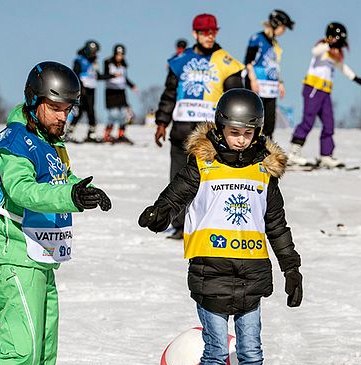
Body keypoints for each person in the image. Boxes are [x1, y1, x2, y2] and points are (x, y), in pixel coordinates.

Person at [139, 89, 303, 365]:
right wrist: (160, 213)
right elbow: (176, 196)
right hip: (210, 272)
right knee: (214, 350)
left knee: (251, 351)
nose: (240, 140)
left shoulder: (264, 174)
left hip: (251, 275)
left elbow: (276, 225)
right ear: (219, 127)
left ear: (257, 132)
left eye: (247, 133)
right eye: (234, 132)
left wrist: (291, 268)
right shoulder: (204, 165)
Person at [0, 61, 112, 365]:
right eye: (55, 109)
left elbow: (59, 180)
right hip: (14, 257)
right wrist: (69, 198)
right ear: (34, 101)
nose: (61, 117)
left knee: (43, 355)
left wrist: (84, 191)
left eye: (67, 110)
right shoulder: (15, 142)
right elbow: (21, 190)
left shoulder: (50, 144)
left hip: (40, 257)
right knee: (22, 353)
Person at [154, 13, 245, 240]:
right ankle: (180, 226)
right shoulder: (180, 61)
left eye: (213, 31)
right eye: (205, 32)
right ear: (195, 34)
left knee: (207, 180)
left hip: (210, 135)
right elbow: (169, 94)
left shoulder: (227, 62)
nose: (210, 36)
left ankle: (206, 225)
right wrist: (162, 123)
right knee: (178, 179)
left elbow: (238, 99)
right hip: (182, 130)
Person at [287, 22, 361, 169]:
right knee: (308, 121)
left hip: (325, 92)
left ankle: (326, 155)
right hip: (313, 89)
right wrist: (329, 44)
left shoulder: (334, 55)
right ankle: (293, 153)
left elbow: (343, 67)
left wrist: (356, 78)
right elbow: (314, 51)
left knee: (329, 123)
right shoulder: (323, 48)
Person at [244, 9, 294, 140]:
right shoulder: (257, 38)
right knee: (255, 117)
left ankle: (266, 147)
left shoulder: (275, 43)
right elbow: (248, 61)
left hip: (271, 86)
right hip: (257, 83)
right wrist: (253, 80)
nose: (284, 31)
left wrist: (280, 83)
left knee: (270, 120)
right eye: (283, 27)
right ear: (275, 24)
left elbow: (275, 65)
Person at [66, 40, 101, 142]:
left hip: (91, 89)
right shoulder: (79, 60)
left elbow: (97, 75)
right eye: (93, 51)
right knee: (79, 111)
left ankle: (92, 133)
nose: (94, 54)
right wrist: (81, 86)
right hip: (82, 89)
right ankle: (69, 132)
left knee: (91, 111)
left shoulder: (94, 62)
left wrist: (111, 76)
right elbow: (75, 74)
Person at [103, 43, 138, 144]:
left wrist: (132, 86)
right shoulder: (108, 62)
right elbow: (104, 75)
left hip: (121, 92)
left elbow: (124, 78)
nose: (120, 57)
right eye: (118, 55)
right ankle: (107, 135)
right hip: (111, 92)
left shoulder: (124, 64)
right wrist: (112, 75)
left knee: (123, 114)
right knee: (113, 114)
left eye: (121, 55)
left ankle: (121, 134)